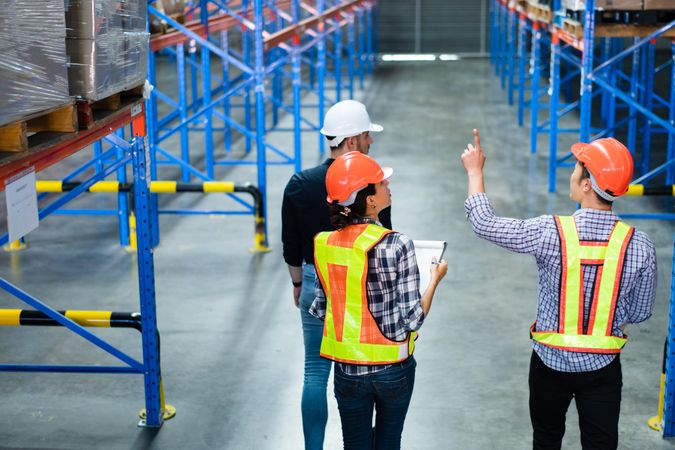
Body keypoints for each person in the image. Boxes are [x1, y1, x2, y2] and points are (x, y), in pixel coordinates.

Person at [461, 130, 657, 450]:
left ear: (586, 184)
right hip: (603, 369)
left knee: (547, 438)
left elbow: (484, 223)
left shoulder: (549, 232)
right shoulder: (639, 244)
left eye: (577, 168)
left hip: (549, 365)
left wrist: (474, 171)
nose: (572, 172)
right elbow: (640, 311)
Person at [309, 151, 448, 450]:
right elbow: (413, 319)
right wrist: (434, 280)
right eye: (381, 182)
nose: (387, 185)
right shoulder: (397, 244)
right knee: (388, 442)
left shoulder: (323, 244)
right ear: (369, 199)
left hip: (348, 371)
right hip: (392, 369)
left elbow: (322, 310)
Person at [281, 99, 390, 450]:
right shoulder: (371, 182)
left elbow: (291, 245)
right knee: (359, 373)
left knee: (314, 374)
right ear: (354, 140)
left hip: (316, 281)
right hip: (361, 286)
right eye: (367, 137)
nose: (371, 143)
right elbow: (382, 241)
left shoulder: (299, 184)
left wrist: (300, 284)